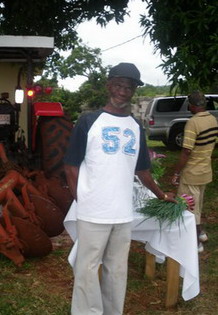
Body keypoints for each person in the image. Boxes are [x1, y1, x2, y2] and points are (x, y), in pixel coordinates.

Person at [64, 62, 176, 315]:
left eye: (129, 86)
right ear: (108, 85)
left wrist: (162, 195)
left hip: (123, 212)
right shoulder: (88, 121)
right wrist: (83, 200)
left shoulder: (136, 126)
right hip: (93, 211)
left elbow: (143, 170)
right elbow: (71, 167)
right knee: (87, 268)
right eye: (118, 85)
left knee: (117, 268)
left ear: (134, 90)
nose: (123, 91)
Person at [172, 91, 218, 253]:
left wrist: (176, 172)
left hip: (191, 173)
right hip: (205, 171)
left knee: (188, 208)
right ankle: (201, 234)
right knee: (197, 205)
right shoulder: (213, 119)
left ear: (192, 105)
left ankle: (194, 242)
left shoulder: (192, 123)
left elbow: (186, 151)